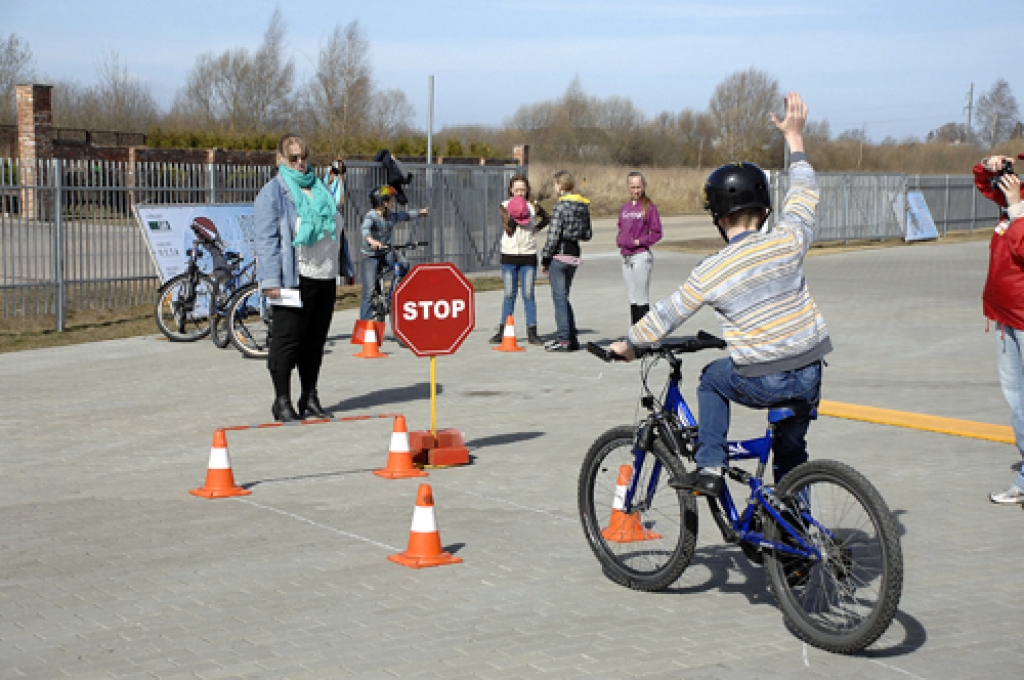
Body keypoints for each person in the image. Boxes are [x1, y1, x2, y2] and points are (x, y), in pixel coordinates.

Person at [610, 92, 830, 497]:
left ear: (718, 218)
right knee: (790, 452)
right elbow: (804, 194)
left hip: (766, 377)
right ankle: (794, 547)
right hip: (811, 369)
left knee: (712, 378)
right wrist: (794, 139)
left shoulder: (711, 269)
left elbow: (668, 314)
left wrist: (631, 343)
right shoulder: (789, 238)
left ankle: (710, 465)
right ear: (765, 210)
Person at [253, 134, 339, 422]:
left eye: (303, 157)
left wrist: (346, 264)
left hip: (325, 273)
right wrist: (271, 282)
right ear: (280, 159)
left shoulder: (321, 187)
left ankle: (309, 396)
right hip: (293, 277)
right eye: (293, 158)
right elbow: (266, 241)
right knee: (287, 340)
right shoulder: (273, 193)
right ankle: (281, 400)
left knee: (315, 340)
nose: (300, 163)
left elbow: (335, 228)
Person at [973, 154, 1024, 504]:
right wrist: (986, 167)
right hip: (1006, 315)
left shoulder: (1017, 205)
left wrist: (1017, 209)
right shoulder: (1015, 197)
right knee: (1017, 400)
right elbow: (982, 185)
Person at [490, 174, 550, 345]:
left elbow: (547, 218)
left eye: (522, 190)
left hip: (528, 254)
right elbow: (508, 230)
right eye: (516, 189)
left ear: (527, 190)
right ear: (511, 189)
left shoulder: (533, 206)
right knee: (509, 293)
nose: (519, 193)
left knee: (529, 293)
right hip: (509, 255)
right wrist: (516, 213)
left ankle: (532, 332)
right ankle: (503, 331)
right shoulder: (504, 206)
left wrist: (536, 228)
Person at [359, 185, 429, 322]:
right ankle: (365, 328)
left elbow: (406, 215)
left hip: (386, 252)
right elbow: (365, 229)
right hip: (371, 256)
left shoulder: (391, 217)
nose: (392, 204)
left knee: (403, 263)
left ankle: (396, 291)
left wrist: (421, 212)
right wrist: (371, 240)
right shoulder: (371, 216)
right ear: (382, 203)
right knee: (368, 293)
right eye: (390, 201)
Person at [540, 170, 592, 352]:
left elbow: (553, 236)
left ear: (560, 185)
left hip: (560, 253)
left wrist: (545, 257)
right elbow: (588, 234)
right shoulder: (583, 206)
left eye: (555, 184)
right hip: (574, 253)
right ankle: (572, 335)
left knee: (559, 298)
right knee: (564, 297)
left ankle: (564, 339)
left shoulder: (560, 207)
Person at [617, 171, 663, 325]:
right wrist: (620, 239)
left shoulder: (649, 208)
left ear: (644, 186)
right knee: (632, 297)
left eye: (638, 187)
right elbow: (621, 228)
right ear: (628, 187)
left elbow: (657, 233)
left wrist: (639, 241)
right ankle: (634, 333)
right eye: (633, 187)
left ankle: (644, 335)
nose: (636, 190)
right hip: (626, 256)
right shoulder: (625, 208)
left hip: (640, 256)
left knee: (641, 296)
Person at [323, 158, 354, 286]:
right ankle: (347, 273)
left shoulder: (326, 180)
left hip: (328, 218)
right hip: (332, 218)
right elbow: (339, 200)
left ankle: (347, 274)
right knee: (340, 249)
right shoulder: (336, 180)